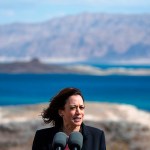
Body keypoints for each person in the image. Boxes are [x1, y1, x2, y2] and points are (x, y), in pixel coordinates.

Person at [32, 87, 106, 150]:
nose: (78, 112)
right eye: (73, 108)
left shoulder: (97, 136)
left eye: (81, 107)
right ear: (61, 112)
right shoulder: (42, 137)